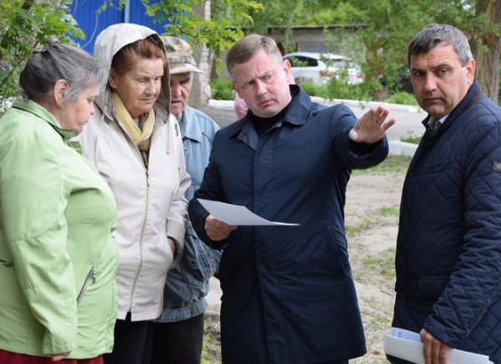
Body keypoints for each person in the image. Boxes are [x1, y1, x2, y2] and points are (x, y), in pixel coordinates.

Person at [189, 34, 396, 364]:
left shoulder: (328, 122)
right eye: (249, 84)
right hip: (248, 305)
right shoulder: (227, 141)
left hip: (313, 304)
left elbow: (354, 148)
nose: (261, 90)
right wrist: (206, 222)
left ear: (286, 71)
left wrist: (364, 142)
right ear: (238, 90)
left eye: (267, 77)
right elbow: (204, 198)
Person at [390, 24, 501, 364]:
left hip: (464, 333)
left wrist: (447, 323)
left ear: (469, 70)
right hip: (425, 319)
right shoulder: (444, 125)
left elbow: (492, 244)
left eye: (441, 71)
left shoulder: (491, 131)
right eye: (418, 74)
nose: (429, 85)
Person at [0, 43, 118, 364]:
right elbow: (35, 240)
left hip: (44, 329)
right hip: (33, 336)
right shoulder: (31, 140)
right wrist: (60, 326)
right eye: (90, 100)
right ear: (61, 91)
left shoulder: (43, 135)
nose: (92, 111)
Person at [78, 24, 191, 364]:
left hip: (146, 288)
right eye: (142, 80)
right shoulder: (87, 124)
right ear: (112, 77)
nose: (153, 90)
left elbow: (179, 190)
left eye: (158, 79)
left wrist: (170, 242)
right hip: (94, 287)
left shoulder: (167, 125)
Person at [143, 36, 222, 364]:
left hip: (187, 295)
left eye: (185, 81)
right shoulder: (130, 129)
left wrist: (208, 262)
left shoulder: (209, 134)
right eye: (169, 82)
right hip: (135, 293)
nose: (177, 92)